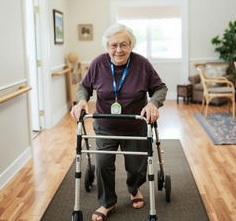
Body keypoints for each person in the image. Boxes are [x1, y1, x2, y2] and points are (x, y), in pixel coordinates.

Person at [70, 23, 168, 221]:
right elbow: (84, 86)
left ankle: (134, 189)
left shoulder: (142, 64)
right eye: (113, 45)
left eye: (124, 44)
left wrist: (153, 103)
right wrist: (81, 100)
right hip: (106, 126)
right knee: (104, 163)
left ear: (131, 45)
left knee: (136, 167)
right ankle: (107, 203)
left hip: (135, 126)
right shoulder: (98, 63)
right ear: (107, 46)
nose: (118, 50)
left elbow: (160, 88)